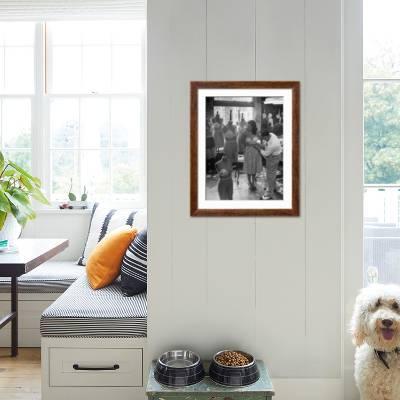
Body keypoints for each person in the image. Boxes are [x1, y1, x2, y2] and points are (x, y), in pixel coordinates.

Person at [260, 130, 283, 200]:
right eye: (263, 138)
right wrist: (264, 144)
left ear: (267, 136)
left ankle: (270, 194)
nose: (264, 139)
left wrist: (259, 149)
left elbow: (266, 154)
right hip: (274, 155)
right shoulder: (271, 134)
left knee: (270, 175)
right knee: (272, 174)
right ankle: (273, 187)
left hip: (274, 157)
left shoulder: (273, 144)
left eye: (265, 138)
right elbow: (266, 144)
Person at [244, 120, 262, 192]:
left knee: (254, 167)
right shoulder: (245, 133)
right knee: (249, 167)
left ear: (253, 126)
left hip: (255, 152)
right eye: (247, 125)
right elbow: (244, 143)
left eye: (249, 125)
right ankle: (249, 182)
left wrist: (257, 145)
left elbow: (259, 142)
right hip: (248, 152)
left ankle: (253, 182)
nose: (248, 126)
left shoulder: (257, 133)